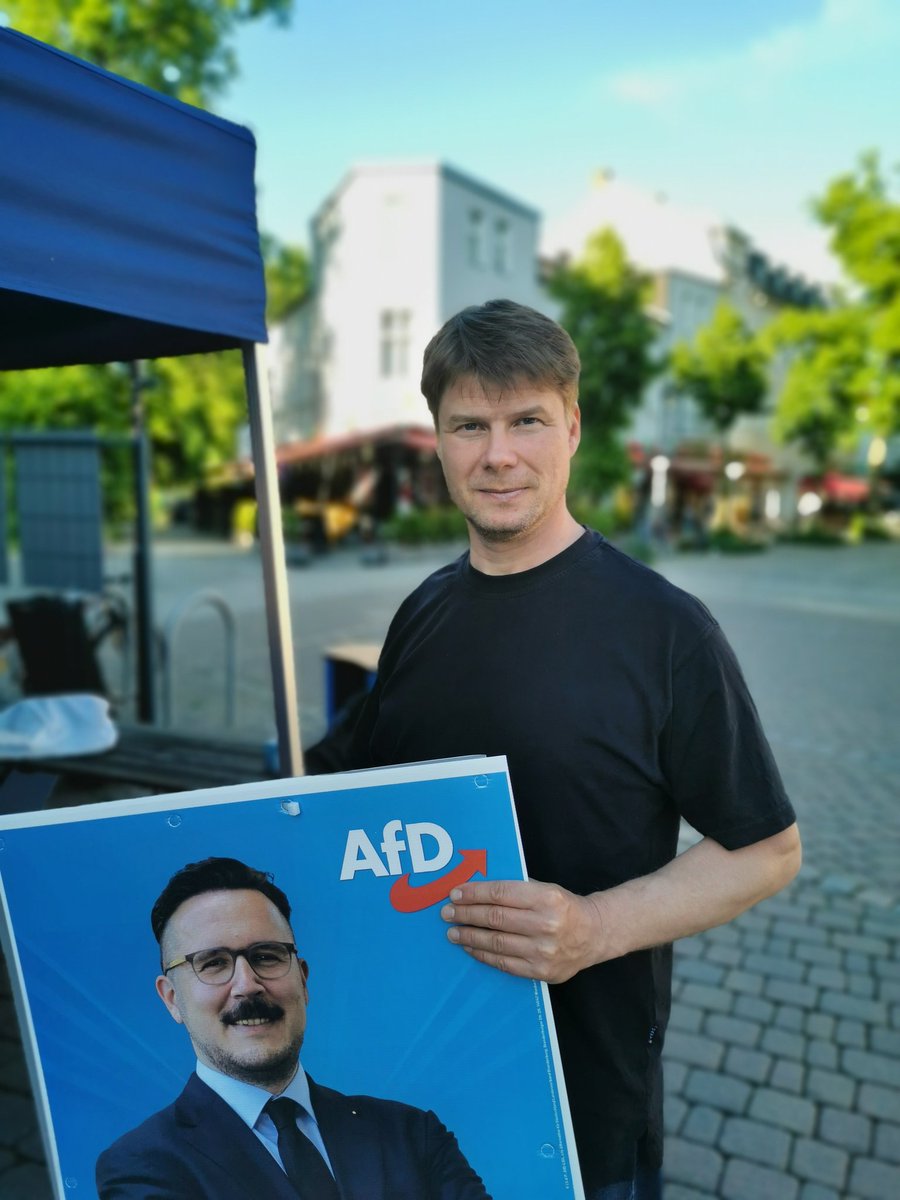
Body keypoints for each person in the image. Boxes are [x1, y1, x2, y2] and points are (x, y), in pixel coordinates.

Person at [345, 299, 802, 1199]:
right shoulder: (422, 612)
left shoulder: (665, 629)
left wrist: (595, 929)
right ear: (436, 440)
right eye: (468, 425)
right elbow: (357, 793)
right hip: (414, 1083)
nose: (498, 453)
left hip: (581, 1107)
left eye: (526, 421)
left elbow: (768, 850)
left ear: (573, 429)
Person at [96, 857, 490, 1200]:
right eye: (213, 963)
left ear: (303, 981)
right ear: (171, 999)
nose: (247, 984)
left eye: (266, 956)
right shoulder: (143, 1164)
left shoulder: (410, 1133)